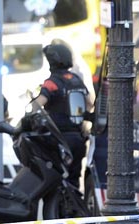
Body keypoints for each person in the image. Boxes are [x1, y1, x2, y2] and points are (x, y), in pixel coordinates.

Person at [33, 43, 95, 187]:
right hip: (78, 139)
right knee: (74, 178)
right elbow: (90, 103)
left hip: (59, 139)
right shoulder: (75, 79)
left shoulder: (52, 83)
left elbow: (38, 104)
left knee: (58, 178)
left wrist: (30, 109)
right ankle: (73, 206)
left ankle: (59, 207)